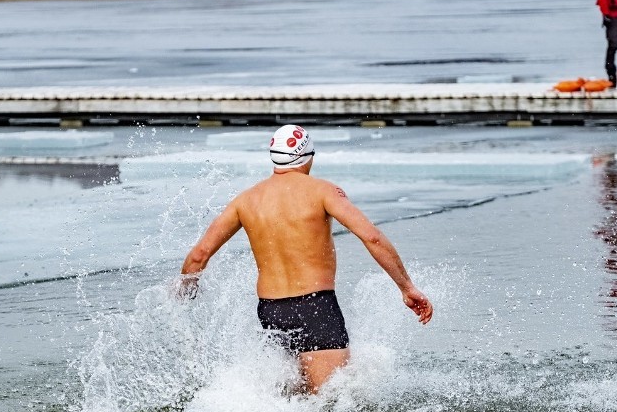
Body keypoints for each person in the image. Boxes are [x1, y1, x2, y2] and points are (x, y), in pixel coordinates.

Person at [179, 125, 433, 393]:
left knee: (290, 406)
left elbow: (199, 255)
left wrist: (181, 296)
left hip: (271, 312)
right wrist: (407, 288)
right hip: (315, 308)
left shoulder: (245, 201)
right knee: (330, 406)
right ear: (308, 156)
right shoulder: (323, 191)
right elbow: (373, 238)